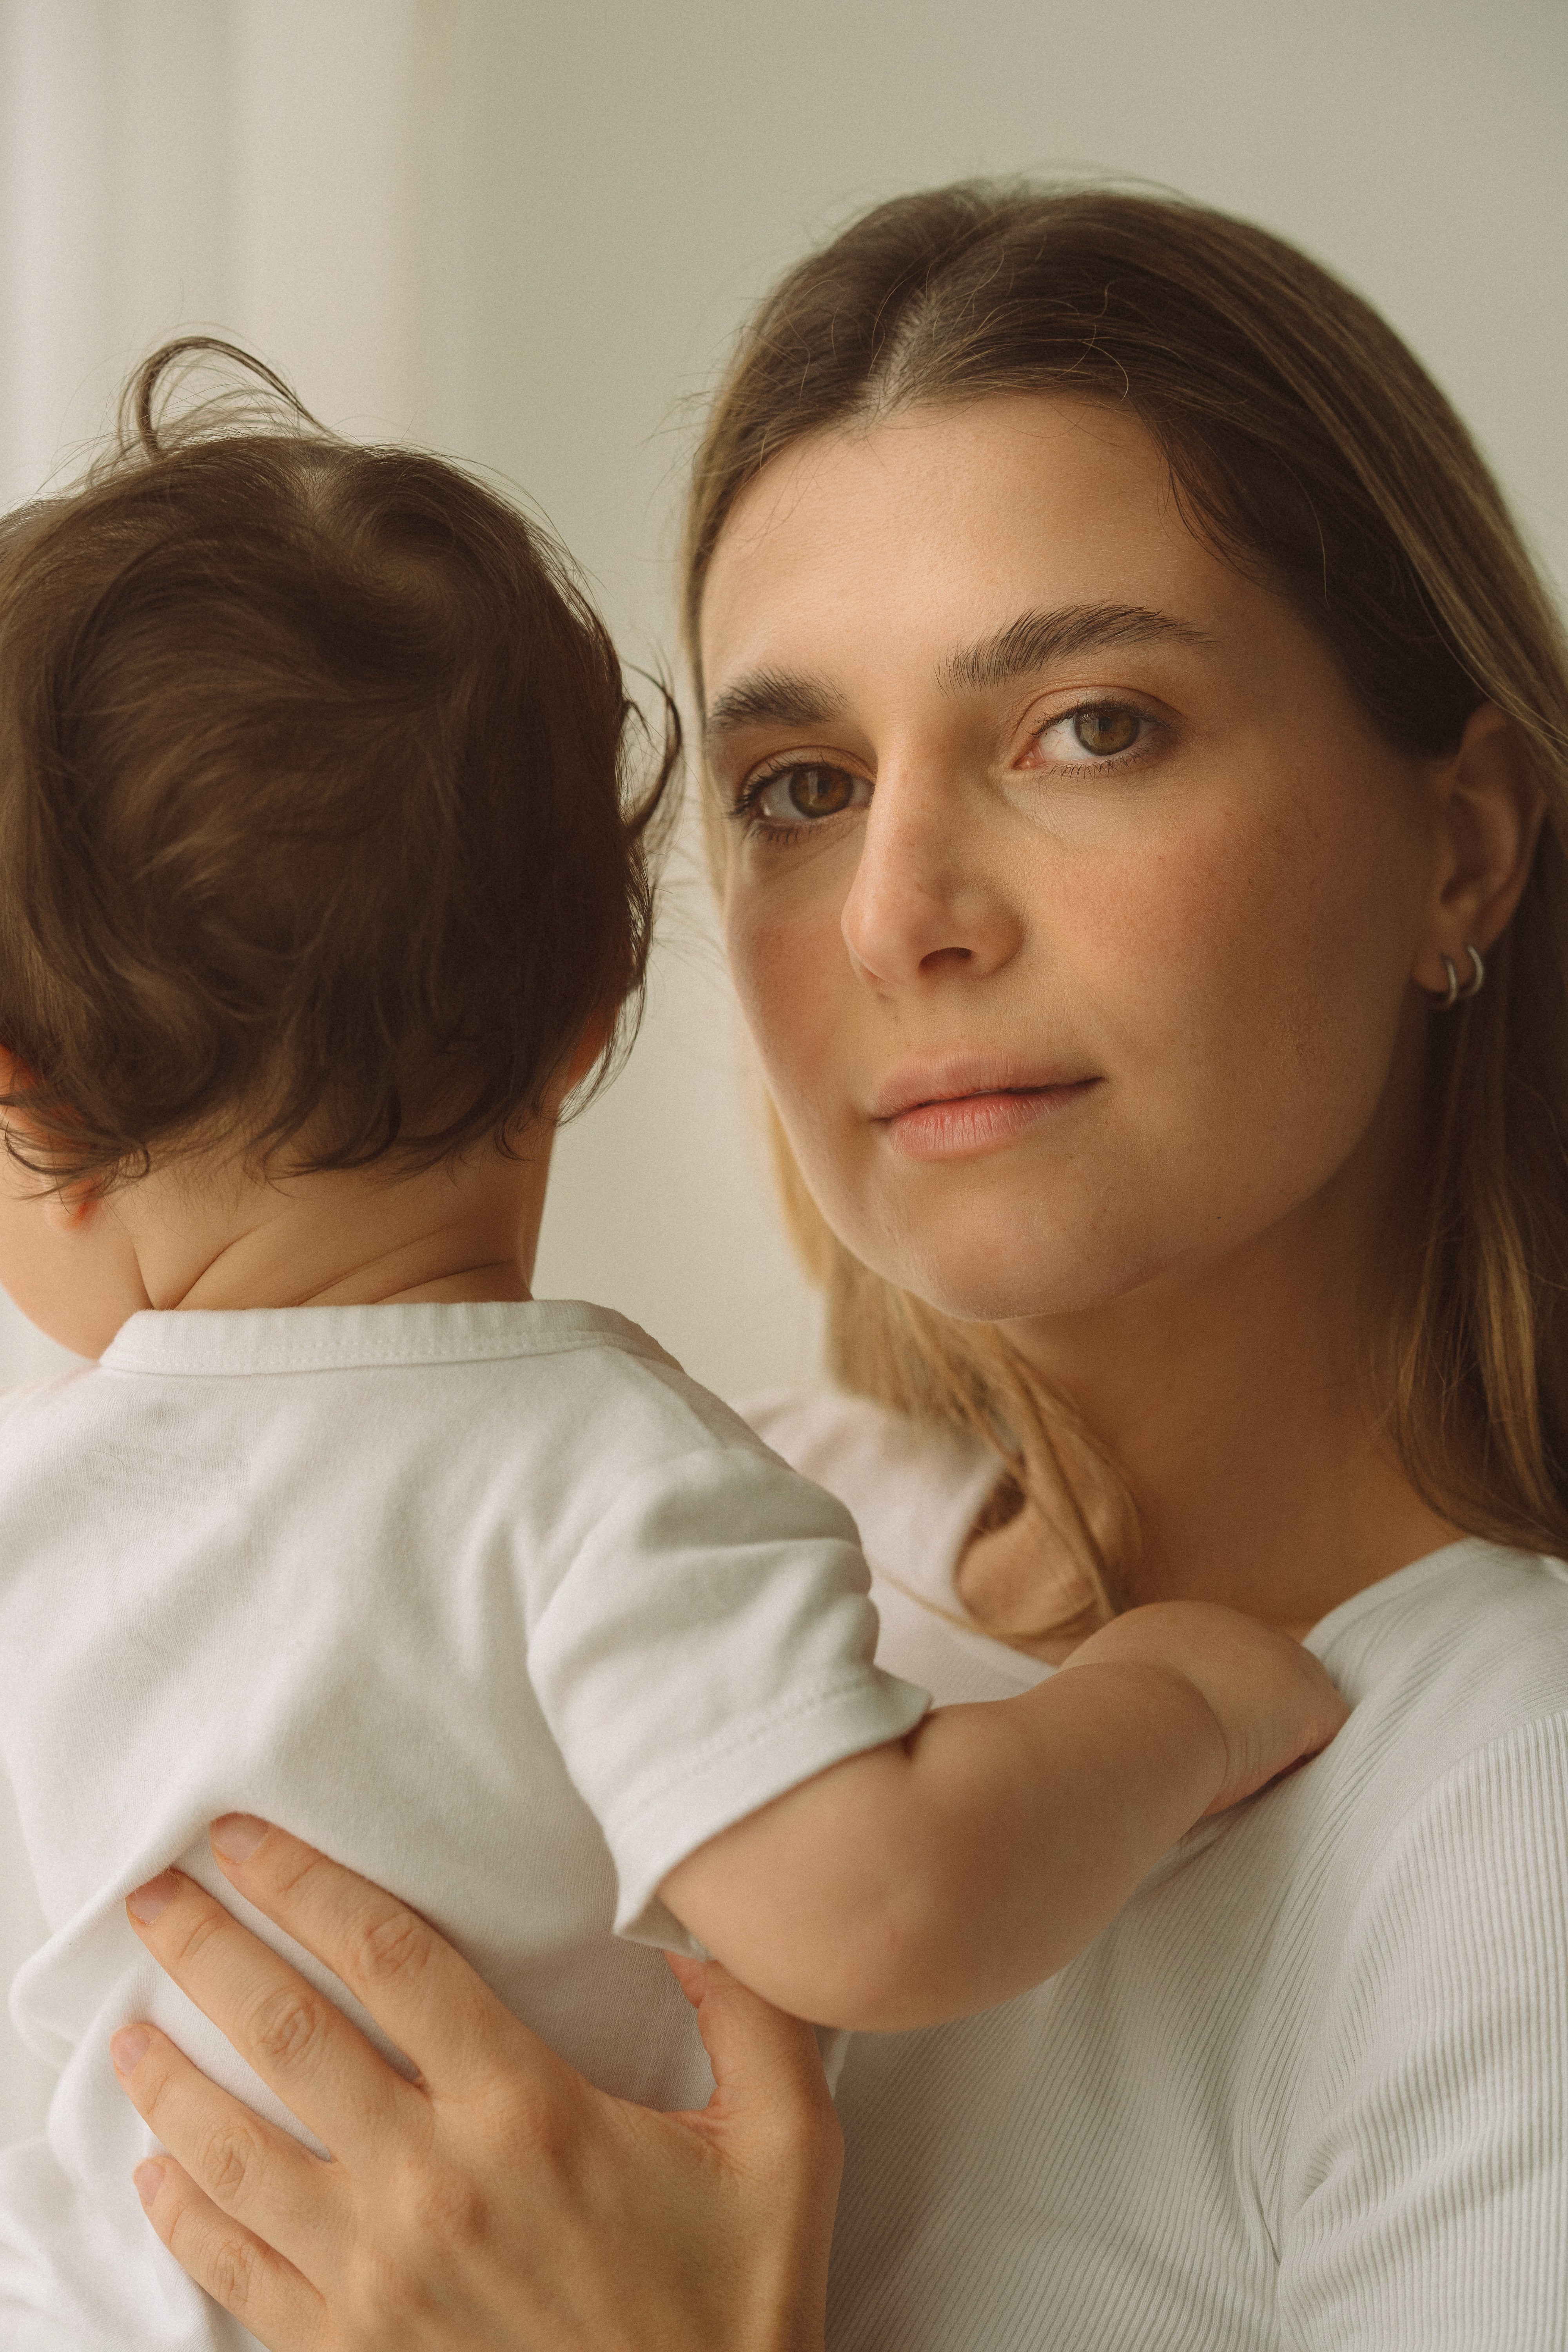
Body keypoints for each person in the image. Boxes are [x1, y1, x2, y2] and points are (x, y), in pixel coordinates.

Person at [112, 178, 1568, 2350]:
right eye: (801, 786)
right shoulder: (678, 1534)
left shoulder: (1504, 1812)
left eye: (1091, 726)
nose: (901, 916)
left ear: (1462, 843)